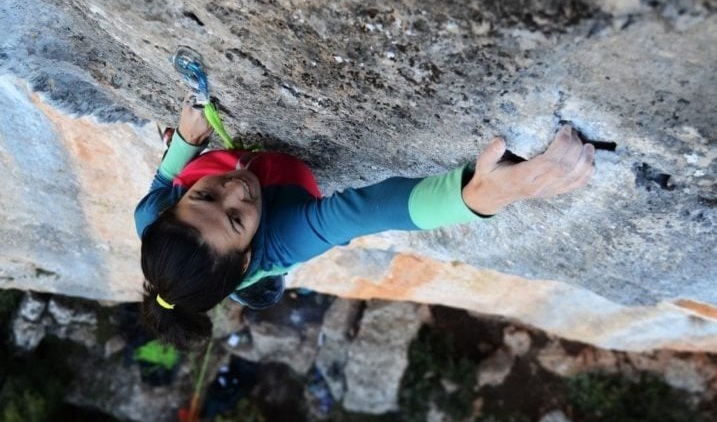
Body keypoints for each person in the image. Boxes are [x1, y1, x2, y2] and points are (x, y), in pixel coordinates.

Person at [135, 96, 594, 349]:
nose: (235, 188)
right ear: (246, 255)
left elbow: (161, 183)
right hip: (252, 268)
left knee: (221, 255)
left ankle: (237, 276)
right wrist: (478, 196)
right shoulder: (284, 237)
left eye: (205, 194)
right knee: (263, 291)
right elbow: (370, 210)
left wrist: (186, 143)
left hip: (222, 258)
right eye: (236, 218)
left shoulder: (153, 219)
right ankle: (251, 288)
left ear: (173, 207)